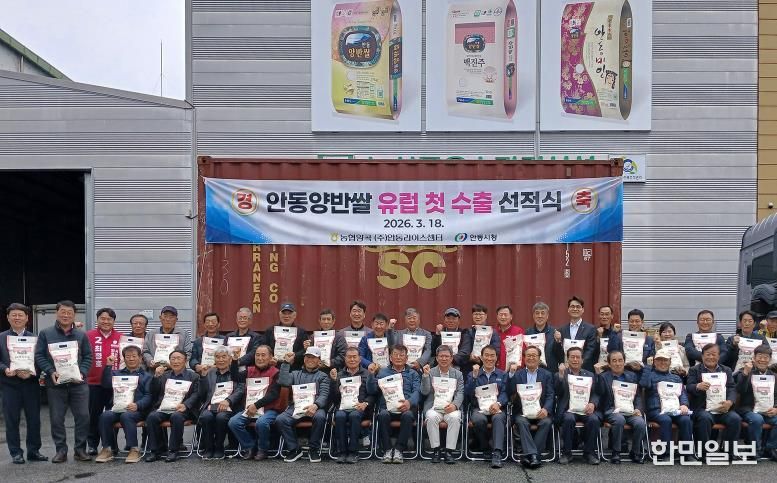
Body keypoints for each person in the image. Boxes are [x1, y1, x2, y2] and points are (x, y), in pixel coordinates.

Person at [34, 300, 94, 463]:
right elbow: (39, 355)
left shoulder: (81, 335)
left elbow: (88, 356)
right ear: (57, 313)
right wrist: (50, 371)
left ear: (74, 315)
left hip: (78, 384)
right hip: (55, 384)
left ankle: (80, 449)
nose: (66, 315)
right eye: (63, 312)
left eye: (69, 313)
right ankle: (61, 450)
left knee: (83, 416)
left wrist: (82, 372)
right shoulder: (46, 333)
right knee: (56, 418)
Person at [0, 303, 47, 464]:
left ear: (27, 318)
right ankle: (16, 452)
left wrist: (34, 371)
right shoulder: (1, 337)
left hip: (31, 384)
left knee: (34, 419)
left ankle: (34, 451)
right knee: (11, 420)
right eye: (14, 315)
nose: (17, 318)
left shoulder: (36, 339)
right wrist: (5, 369)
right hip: (9, 385)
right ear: (8, 317)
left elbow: (41, 359)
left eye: (20, 315)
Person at [94, 345, 152, 463]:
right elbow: (106, 384)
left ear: (140, 358)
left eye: (134, 356)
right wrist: (108, 365)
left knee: (127, 416)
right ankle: (107, 449)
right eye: (128, 356)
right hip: (118, 408)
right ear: (123, 359)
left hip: (137, 410)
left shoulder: (147, 376)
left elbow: (149, 396)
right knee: (105, 415)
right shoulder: (116, 374)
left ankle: (134, 449)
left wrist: (138, 405)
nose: (131, 359)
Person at [227, 345, 285, 460]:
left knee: (262, 423)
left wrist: (256, 405)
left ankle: (263, 449)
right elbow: (235, 377)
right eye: (257, 355)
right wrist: (234, 360)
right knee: (234, 422)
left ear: (271, 357)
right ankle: (250, 447)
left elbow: (273, 395)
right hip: (251, 408)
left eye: (263, 355)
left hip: (270, 409)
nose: (260, 358)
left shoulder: (276, 372)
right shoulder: (249, 370)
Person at [275, 346, 330, 462]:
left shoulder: (323, 376)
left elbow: (324, 394)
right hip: (296, 407)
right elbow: (283, 381)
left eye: (313, 358)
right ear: (304, 359)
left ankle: (313, 449)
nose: (310, 360)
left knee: (320, 417)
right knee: (281, 419)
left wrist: (315, 405)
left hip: (315, 407)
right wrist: (286, 363)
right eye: (308, 357)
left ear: (319, 360)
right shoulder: (295, 374)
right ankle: (294, 449)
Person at [369, 344, 421, 464]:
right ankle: (387, 449)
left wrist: (409, 402)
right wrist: (371, 375)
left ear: (406, 358)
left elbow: (417, 391)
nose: (398, 357)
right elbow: (372, 391)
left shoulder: (413, 373)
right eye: (395, 355)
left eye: (401, 355)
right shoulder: (382, 372)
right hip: (387, 407)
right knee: (382, 415)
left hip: (406, 407)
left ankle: (399, 450)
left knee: (408, 415)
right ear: (390, 358)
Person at [686, 343, 741, 459]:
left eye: (714, 354)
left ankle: (729, 451)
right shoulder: (694, 370)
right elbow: (689, 387)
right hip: (703, 408)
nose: (711, 357)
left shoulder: (726, 370)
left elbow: (732, 388)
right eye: (708, 354)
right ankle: (703, 453)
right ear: (702, 356)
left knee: (735, 418)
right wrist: (697, 386)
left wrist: (730, 402)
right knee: (705, 418)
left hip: (723, 409)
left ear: (718, 356)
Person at [144, 350, 200, 463]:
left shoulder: (194, 376)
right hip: (165, 407)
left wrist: (186, 405)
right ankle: (155, 451)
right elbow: (154, 392)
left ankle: (174, 450)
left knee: (176, 416)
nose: (175, 361)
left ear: (185, 361)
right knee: (152, 417)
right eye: (173, 359)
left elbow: (196, 394)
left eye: (179, 358)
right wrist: (156, 377)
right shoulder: (164, 375)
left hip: (184, 409)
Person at [639, 348, 692, 460]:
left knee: (686, 419)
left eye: (665, 360)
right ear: (654, 362)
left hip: (675, 409)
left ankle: (686, 452)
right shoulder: (650, 375)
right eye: (659, 360)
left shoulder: (676, 378)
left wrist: (684, 404)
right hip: (656, 410)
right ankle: (666, 452)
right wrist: (648, 367)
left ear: (670, 362)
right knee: (665, 419)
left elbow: (682, 394)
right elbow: (643, 384)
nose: (662, 363)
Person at [507, 345, 555, 469]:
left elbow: (550, 395)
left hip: (541, 412)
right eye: (528, 355)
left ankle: (530, 455)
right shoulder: (518, 374)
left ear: (539, 358)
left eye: (534, 355)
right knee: (521, 421)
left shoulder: (547, 375)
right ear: (524, 358)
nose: (531, 358)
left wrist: (546, 409)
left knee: (546, 422)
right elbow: (510, 391)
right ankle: (535, 456)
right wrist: (511, 374)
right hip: (523, 412)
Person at [596, 350, 646, 464]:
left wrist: (638, 408)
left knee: (640, 422)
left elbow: (638, 396)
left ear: (624, 362)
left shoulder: (632, 376)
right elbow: (599, 392)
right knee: (619, 419)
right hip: (612, 410)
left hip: (630, 410)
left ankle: (635, 452)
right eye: (614, 361)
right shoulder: (603, 377)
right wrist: (598, 375)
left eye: (620, 360)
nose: (617, 363)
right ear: (609, 364)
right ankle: (616, 452)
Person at [554, 346, 601, 465]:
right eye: (572, 357)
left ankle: (589, 453)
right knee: (568, 419)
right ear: (567, 359)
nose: (575, 360)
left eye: (578, 357)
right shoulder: (560, 374)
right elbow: (557, 392)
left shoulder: (590, 375)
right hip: (568, 410)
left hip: (586, 409)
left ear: (582, 360)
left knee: (594, 420)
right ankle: (567, 453)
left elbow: (596, 393)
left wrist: (592, 403)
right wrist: (560, 376)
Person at [86, 307, 123, 455]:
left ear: (114, 321)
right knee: (93, 415)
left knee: (112, 414)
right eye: (103, 318)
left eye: (109, 319)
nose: (106, 321)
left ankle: (112, 445)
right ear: (97, 320)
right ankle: (92, 444)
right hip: (93, 382)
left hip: (115, 383)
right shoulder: (88, 336)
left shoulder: (121, 337)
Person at [197, 346, 245, 459]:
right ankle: (209, 448)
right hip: (211, 406)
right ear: (214, 359)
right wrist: (203, 377)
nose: (221, 360)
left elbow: (240, 389)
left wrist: (228, 400)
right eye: (218, 357)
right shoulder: (210, 372)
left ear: (230, 359)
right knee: (206, 416)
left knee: (221, 417)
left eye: (224, 357)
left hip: (231, 406)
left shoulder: (237, 371)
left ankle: (219, 447)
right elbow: (202, 394)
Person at [330, 346, 375, 463]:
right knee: (339, 416)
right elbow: (335, 397)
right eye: (349, 357)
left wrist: (365, 403)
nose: (352, 359)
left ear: (360, 359)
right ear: (345, 359)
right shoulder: (339, 375)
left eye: (354, 357)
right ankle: (342, 452)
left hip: (361, 408)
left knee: (354, 415)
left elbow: (373, 394)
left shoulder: (367, 374)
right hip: (343, 407)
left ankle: (353, 452)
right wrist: (334, 381)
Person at [421, 345, 464, 464]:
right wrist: (425, 376)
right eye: (441, 356)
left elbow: (460, 392)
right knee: (431, 417)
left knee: (455, 418)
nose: (444, 359)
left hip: (451, 407)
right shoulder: (430, 372)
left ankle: (449, 452)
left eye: (446, 356)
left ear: (451, 358)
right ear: (437, 358)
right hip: (434, 407)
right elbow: (425, 392)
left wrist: (454, 405)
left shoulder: (458, 374)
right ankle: (436, 451)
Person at [735, 345, 777, 461]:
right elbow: (740, 390)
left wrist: (776, 408)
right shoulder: (745, 371)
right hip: (748, 409)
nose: (762, 360)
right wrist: (745, 373)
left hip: (768, 410)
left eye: (766, 357)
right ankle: (755, 450)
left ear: (770, 359)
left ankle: (771, 448)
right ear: (754, 357)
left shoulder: (774, 376)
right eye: (759, 356)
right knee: (757, 419)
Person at [553, 296, 597, 373]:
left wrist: (577, 364)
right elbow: (558, 353)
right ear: (568, 310)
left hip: (583, 371)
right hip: (566, 371)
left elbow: (590, 351)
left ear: (582, 310)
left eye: (578, 307)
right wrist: (557, 341)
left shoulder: (590, 329)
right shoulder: (561, 330)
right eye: (572, 306)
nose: (575, 309)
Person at [264, 302, 308, 370]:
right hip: (274, 368)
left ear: (295, 315)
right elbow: (264, 348)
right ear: (279, 314)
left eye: (289, 313)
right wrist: (270, 358)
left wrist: (295, 356)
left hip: (294, 369)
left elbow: (304, 351)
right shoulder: (270, 331)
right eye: (284, 313)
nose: (286, 316)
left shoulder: (301, 332)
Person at [525, 302, 561, 373]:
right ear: (533, 316)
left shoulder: (554, 332)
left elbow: (560, 355)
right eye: (537, 313)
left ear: (547, 316)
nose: (540, 316)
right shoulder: (528, 333)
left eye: (543, 313)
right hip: (532, 372)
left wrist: (558, 342)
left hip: (551, 372)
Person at [468, 304, 501, 371]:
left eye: (480, 314)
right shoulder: (468, 332)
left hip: (488, 368)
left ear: (486, 316)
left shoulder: (492, 332)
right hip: (469, 367)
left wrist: (482, 359)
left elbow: (496, 350)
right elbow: (465, 349)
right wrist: (469, 357)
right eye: (475, 314)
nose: (478, 317)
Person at [492, 305, 525, 372]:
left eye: (505, 315)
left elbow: (523, 351)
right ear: (497, 317)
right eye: (501, 315)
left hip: (514, 370)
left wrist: (518, 366)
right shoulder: (493, 331)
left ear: (511, 317)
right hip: (496, 371)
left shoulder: (518, 331)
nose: (503, 317)